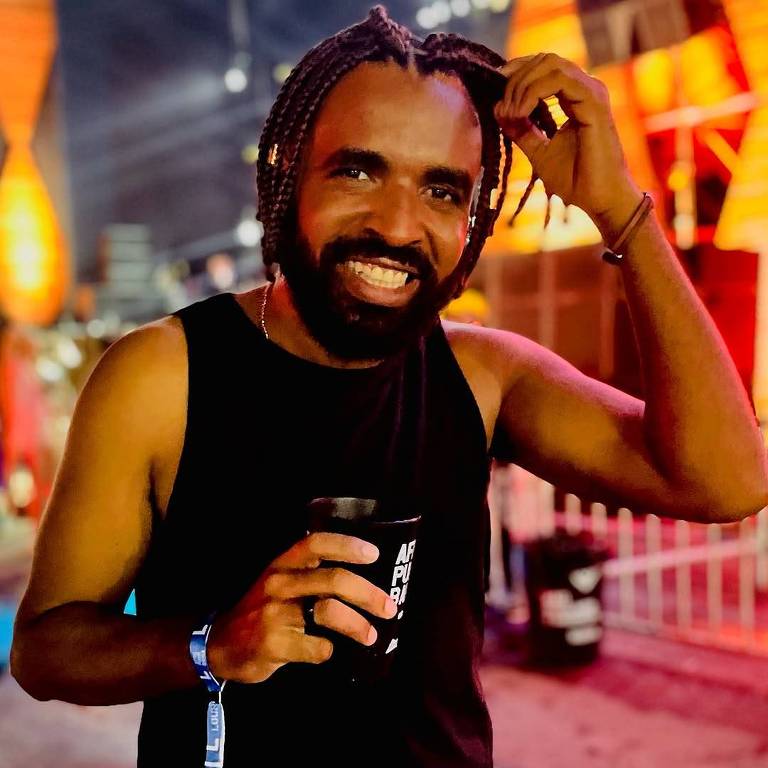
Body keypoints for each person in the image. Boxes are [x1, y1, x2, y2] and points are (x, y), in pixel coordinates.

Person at [11, 6, 767, 767]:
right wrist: (212, 643)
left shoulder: (484, 377)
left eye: (441, 191)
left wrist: (619, 211)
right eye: (360, 169)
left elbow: (728, 483)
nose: (400, 226)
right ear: (286, 167)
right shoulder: (162, 375)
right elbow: (44, 651)